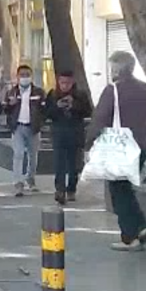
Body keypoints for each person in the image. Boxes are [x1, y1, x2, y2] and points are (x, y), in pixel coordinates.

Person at [87, 51, 146, 251]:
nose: (111, 71)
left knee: (118, 191)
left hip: (120, 147)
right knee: (126, 189)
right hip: (142, 146)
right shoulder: (145, 88)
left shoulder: (113, 90)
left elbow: (100, 119)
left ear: (117, 68)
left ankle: (130, 237)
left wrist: (89, 144)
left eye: (112, 67)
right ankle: (141, 227)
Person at [45, 70, 93, 205]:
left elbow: (88, 111)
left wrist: (74, 105)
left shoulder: (80, 95)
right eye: (62, 83)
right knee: (59, 163)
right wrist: (57, 107)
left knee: (73, 165)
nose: (64, 86)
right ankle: (59, 190)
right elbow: (47, 114)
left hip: (75, 133)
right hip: (59, 133)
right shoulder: (53, 95)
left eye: (67, 83)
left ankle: (71, 188)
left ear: (72, 83)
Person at [3, 65, 46, 196]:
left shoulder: (38, 92)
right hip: (18, 127)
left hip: (33, 127)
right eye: (22, 75)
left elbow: (44, 110)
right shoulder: (11, 93)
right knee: (18, 154)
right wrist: (10, 105)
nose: (25, 78)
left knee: (33, 156)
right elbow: (4, 109)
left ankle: (30, 179)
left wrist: (40, 123)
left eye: (27, 75)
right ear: (17, 77)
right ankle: (18, 183)